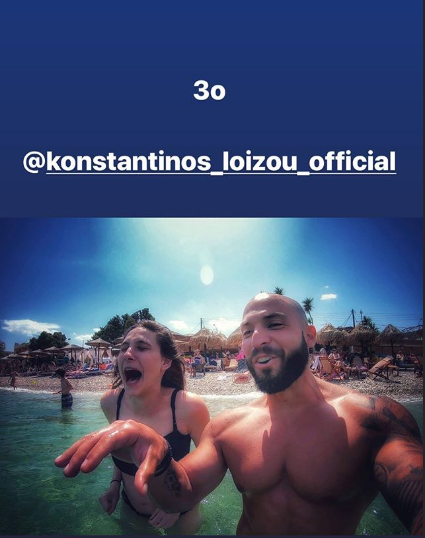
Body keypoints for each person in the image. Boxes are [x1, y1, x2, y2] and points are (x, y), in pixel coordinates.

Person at [55, 294, 423, 535]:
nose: (257, 338)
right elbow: (180, 497)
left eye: (274, 324)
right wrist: (155, 450)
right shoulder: (228, 427)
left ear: (310, 336)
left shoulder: (374, 419)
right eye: (247, 331)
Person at [93, 321, 209, 533]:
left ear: (165, 362)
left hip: (181, 514)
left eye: (141, 347)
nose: (128, 354)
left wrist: (178, 504)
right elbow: (124, 453)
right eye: (124, 348)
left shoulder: (188, 406)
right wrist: (114, 485)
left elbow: (211, 464)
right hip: (130, 509)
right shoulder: (111, 403)